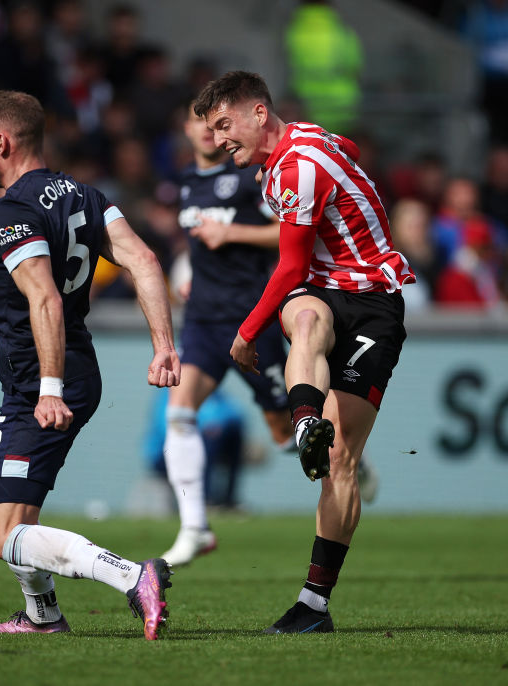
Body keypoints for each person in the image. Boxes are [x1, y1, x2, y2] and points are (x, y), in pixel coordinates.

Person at [193, 71, 414, 633]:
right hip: (323, 292)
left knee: (340, 463)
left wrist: (245, 333)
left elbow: (289, 264)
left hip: (374, 305)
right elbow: (351, 149)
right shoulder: (304, 147)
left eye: (225, 124)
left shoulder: (296, 165)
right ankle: (306, 422)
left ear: (259, 113)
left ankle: (314, 606)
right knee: (307, 314)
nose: (219, 140)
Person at [0, 90, 181, 640]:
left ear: (3, 141)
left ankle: (134, 576)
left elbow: (45, 299)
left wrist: (47, 388)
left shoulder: (11, 211)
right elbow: (145, 260)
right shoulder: (87, 196)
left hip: (44, 379)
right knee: (19, 518)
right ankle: (42, 617)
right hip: (70, 369)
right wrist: (163, 344)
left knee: (4, 534)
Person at [159, 103, 291, 566]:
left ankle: (346, 451)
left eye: (216, 124)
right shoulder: (184, 182)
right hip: (202, 318)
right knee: (179, 413)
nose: (207, 131)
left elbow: (288, 233)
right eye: (198, 121)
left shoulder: (249, 177)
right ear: (187, 128)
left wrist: (231, 232)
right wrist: (186, 275)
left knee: (285, 431)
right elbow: (195, 243)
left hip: (252, 319)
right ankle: (194, 526)